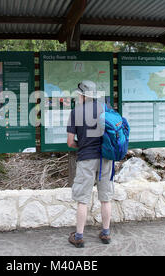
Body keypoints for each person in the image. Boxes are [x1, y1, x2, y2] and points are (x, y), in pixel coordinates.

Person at [66, 80, 114, 248]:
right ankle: (106, 233)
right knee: (105, 198)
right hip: (105, 159)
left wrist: (83, 145)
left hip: (86, 159)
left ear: (83, 95)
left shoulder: (76, 112)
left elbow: (70, 142)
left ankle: (78, 236)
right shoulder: (105, 109)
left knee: (83, 200)